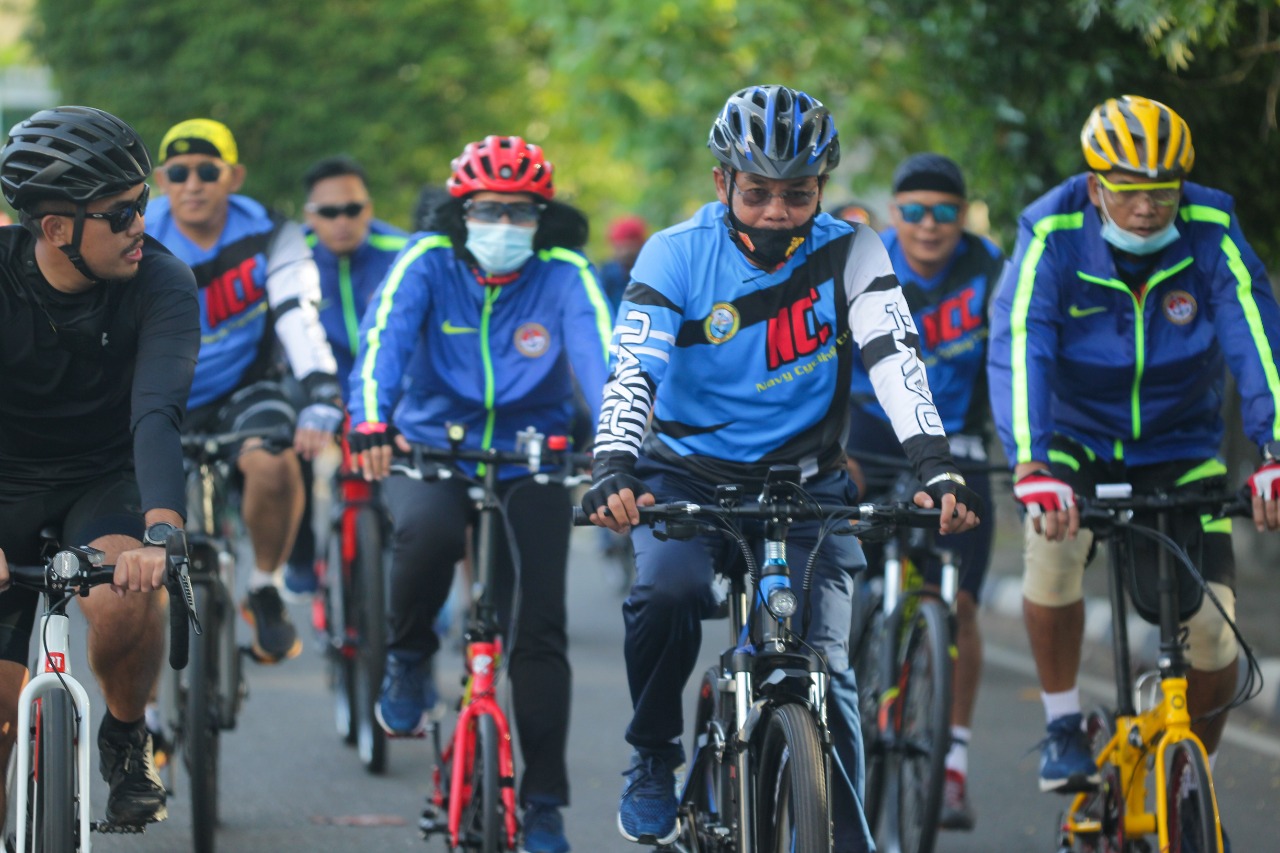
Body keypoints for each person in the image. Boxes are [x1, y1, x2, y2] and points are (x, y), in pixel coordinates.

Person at [581, 84, 983, 850]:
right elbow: (633, 369)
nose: (776, 211)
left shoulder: (852, 249)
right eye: (758, 191)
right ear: (721, 182)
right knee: (667, 591)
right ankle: (654, 755)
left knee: (829, 672)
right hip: (685, 474)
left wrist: (935, 465)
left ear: (821, 190)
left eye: (797, 194)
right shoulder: (675, 252)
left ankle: (850, 836)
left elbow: (896, 357)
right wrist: (614, 465)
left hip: (804, 482)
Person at [988, 95, 1280, 845]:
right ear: (1095, 187)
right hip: (1075, 443)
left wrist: (1275, 448)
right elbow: (1022, 342)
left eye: (1161, 190)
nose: (1146, 207)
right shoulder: (1050, 232)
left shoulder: (1211, 229)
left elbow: (1253, 329)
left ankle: (1185, 775)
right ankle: (1061, 723)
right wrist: (1032, 460)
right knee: (1052, 556)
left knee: (1216, 643)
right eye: (1126, 188)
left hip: (1182, 447)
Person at [346, 135, 611, 853]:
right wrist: (371, 421)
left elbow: (604, 362)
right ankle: (406, 655)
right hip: (433, 445)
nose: (505, 225)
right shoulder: (426, 261)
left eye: (521, 212)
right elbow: (382, 346)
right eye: (489, 209)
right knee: (426, 534)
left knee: (540, 628)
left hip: (534, 458)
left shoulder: (565, 273)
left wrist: (618, 449)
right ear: (460, 211)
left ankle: (547, 804)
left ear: (543, 217)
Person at [0, 106, 200, 827]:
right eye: (120, 213)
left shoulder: (163, 282)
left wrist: (163, 530)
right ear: (55, 229)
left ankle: (125, 731)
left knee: (122, 596)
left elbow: (157, 412)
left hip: (103, 474)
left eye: (142, 203)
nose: (141, 224)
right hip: (4, 482)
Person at [844, 152, 1004, 831]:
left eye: (944, 212)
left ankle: (954, 761)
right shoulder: (862, 265)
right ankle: (842, 715)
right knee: (843, 582)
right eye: (913, 212)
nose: (929, 226)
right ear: (893, 216)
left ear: (962, 217)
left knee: (959, 601)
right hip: (867, 442)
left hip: (958, 449)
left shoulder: (991, 270)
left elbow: (1014, 357)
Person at [146, 118, 342, 663]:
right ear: (162, 179)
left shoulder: (270, 232)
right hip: (160, 390)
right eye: (179, 172)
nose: (193, 183)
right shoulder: (138, 232)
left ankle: (265, 584)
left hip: (243, 386)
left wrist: (323, 389)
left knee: (275, 463)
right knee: (139, 548)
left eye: (208, 170)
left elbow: (296, 313)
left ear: (233, 176)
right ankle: (152, 712)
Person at [281, 156, 410, 596]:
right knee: (285, 435)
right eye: (329, 212)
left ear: (369, 209)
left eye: (352, 209)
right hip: (318, 386)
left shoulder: (405, 252)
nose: (342, 221)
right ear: (309, 215)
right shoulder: (289, 256)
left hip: (389, 387)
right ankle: (299, 552)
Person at [599, 214, 648, 316]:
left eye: (630, 247)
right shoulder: (608, 274)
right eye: (620, 248)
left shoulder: (650, 274)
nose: (625, 253)